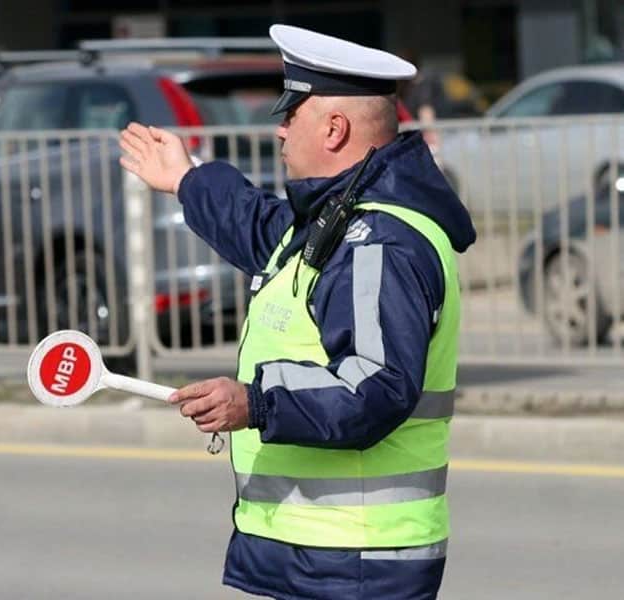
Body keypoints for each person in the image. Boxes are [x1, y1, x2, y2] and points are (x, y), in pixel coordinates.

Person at [119, 24, 476, 600]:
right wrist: (187, 180)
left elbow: (377, 386)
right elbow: (264, 232)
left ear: (334, 128)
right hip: (323, 551)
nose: (280, 128)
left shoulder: (377, 242)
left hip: (355, 558)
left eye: (293, 112)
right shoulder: (338, 221)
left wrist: (254, 401)